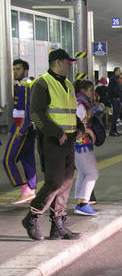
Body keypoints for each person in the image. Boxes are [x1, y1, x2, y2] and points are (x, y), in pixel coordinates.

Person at [22, 49, 85, 241]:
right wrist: (56, 133)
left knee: (66, 183)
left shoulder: (67, 84)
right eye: (68, 63)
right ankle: (32, 217)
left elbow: (69, 111)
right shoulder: (42, 83)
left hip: (69, 140)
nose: (70, 66)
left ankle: (58, 225)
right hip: (52, 141)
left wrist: (79, 126)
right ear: (57, 62)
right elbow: (36, 115)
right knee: (54, 182)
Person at [4, 59, 37, 204]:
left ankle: (26, 190)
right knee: (27, 158)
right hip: (27, 128)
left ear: (25, 70)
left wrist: (22, 129)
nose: (15, 72)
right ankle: (31, 190)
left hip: (21, 128)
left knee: (8, 160)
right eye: (14, 69)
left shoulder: (25, 85)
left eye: (18, 69)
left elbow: (27, 109)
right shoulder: (25, 85)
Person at [72, 79, 99, 216]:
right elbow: (77, 124)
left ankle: (80, 201)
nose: (93, 93)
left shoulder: (81, 103)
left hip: (80, 145)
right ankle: (83, 203)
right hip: (81, 144)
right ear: (82, 90)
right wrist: (88, 131)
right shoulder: (81, 105)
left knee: (83, 173)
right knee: (92, 173)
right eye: (90, 90)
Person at [108, 67, 122, 136]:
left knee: (116, 115)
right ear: (115, 71)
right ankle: (112, 131)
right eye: (118, 71)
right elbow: (110, 90)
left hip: (117, 99)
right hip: (114, 99)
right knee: (114, 116)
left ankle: (115, 130)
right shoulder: (113, 79)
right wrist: (112, 99)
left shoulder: (117, 79)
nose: (120, 72)